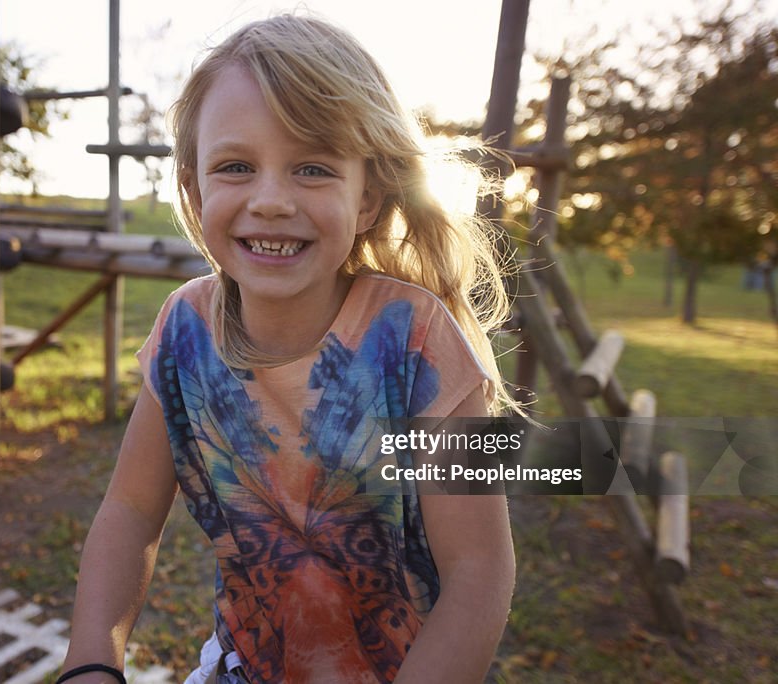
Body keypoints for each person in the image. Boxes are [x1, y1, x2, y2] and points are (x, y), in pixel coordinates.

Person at [59, 13, 516, 684]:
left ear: (368, 200)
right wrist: (89, 663)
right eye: (236, 166)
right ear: (195, 187)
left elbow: (483, 570)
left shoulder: (421, 337)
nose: (270, 200)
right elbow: (129, 512)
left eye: (312, 168)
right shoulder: (182, 329)